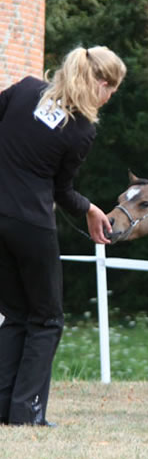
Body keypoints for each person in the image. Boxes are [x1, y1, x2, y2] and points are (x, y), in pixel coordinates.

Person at [0, 46, 126, 426]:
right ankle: (28, 413)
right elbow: (61, 190)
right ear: (100, 84)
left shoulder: (24, 91)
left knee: (17, 314)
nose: (108, 100)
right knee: (47, 319)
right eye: (110, 92)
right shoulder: (80, 131)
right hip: (31, 226)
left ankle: (6, 409)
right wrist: (89, 208)